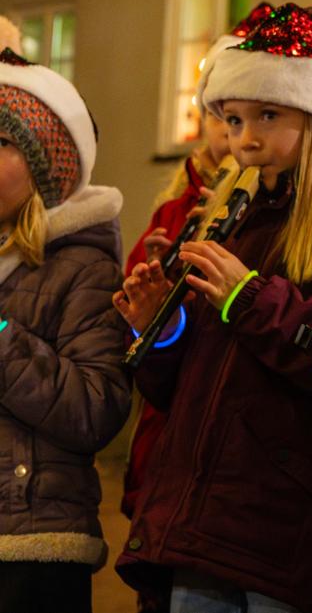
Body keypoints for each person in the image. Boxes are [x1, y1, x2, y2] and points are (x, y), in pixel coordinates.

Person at [114, 3, 312, 613]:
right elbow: (179, 391)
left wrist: (248, 297)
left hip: (285, 529)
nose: (245, 138)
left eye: (267, 115)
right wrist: (162, 328)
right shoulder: (228, 220)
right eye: (233, 119)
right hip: (198, 519)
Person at [0, 49, 131, 613]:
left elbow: (94, 409)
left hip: (33, 546)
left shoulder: (83, 267)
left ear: (45, 169)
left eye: (1, 141)